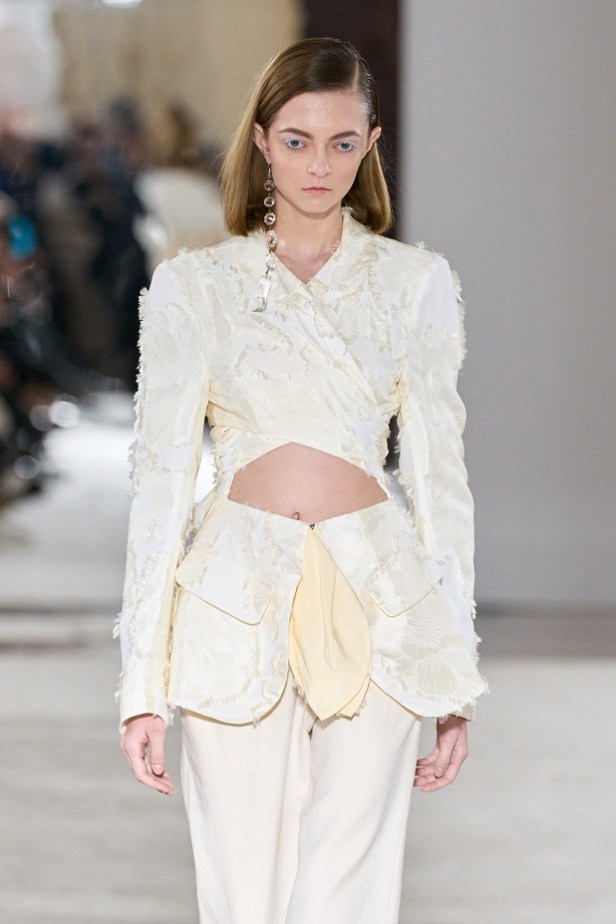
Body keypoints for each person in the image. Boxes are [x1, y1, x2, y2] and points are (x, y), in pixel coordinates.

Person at [116, 37, 487, 924]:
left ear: (370, 145)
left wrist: (457, 675)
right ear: (260, 140)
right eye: (296, 140)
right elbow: (160, 484)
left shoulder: (415, 283)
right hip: (233, 600)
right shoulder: (195, 287)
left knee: (345, 892)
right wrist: (140, 686)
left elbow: (440, 479)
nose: (319, 165)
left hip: (380, 599)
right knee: (244, 894)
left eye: (342, 142)